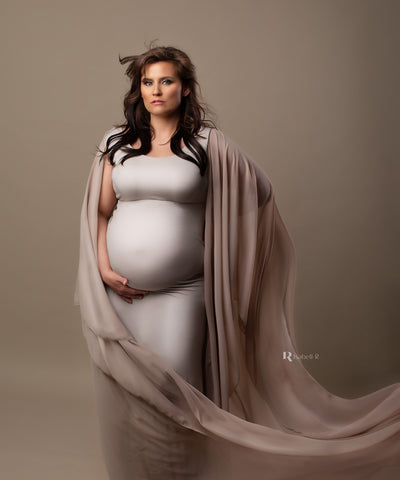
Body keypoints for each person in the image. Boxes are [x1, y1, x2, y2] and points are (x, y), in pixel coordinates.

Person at [74, 45, 400, 480]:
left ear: (185, 89)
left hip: (181, 295)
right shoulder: (115, 142)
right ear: (139, 90)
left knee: (178, 394)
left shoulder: (208, 144)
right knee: (131, 400)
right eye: (147, 82)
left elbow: (258, 192)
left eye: (166, 81)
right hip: (119, 294)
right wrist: (103, 267)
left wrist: (222, 244)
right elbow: (99, 210)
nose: (156, 90)